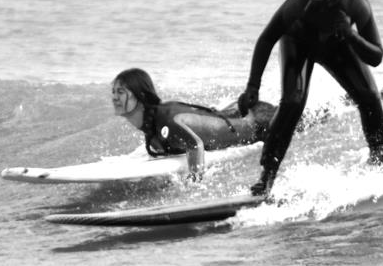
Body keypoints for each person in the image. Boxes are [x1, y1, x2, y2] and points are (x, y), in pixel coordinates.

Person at [237, 0, 383, 197]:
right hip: (298, 45)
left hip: (338, 46)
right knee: (292, 102)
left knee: (369, 96)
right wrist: (252, 86)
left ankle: (382, 158)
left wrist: (351, 36)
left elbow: (376, 57)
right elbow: (267, 39)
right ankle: (267, 177)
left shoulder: (356, 4)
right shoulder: (296, 6)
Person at [112, 68, 276, 181]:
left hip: (259, 122)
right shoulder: (151, 124)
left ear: (140, 96)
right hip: (236, 114)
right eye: (113, 92)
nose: (114, 97)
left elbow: (195, 146)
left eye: (120, 92)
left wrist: (194, 182)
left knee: (290, 124)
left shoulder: (167, 122)